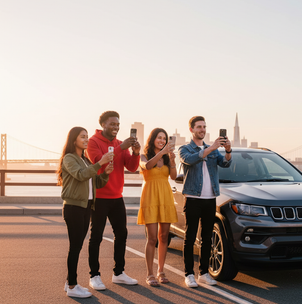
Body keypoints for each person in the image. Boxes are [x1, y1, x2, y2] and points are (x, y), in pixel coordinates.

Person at [86, 111, 141, 290]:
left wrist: (136, 152)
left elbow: (132, 168)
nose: (116, 127)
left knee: (122, 234)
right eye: (112, 124)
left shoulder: (120, 144)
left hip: (117, 197)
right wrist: (121, 147)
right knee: (96, 237)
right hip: (100, 197)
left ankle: (119, 273)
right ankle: (94, 275)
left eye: (117, 124)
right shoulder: (93, 142)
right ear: (103, 124)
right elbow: (98, 161)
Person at [57, 127, 113, 298]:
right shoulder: (69, 158)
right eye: (83, 137)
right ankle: (73, 286)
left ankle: (69, 283)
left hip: (86, 206)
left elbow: (95, 182)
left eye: (87, 136)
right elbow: (80, 175)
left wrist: (105, 174)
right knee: (75, 247)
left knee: (78, 246)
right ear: (74, 140)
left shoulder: (85, 160)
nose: (86, 139)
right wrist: (100, 163)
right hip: (73, 207)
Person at [178, 116, 232, 288]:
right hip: (193, 198)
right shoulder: (184, 149)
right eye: (199, 127)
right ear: (191, 130)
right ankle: (188, 274)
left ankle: (203, 273)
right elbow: (191, 159)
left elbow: (225, 164)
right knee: (190, 237)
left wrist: (228, 151)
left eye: (204, 127)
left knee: (207, 238)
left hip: (210, 199)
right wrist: (212, 148)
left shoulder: (213, 149)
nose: (202, 129)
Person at [137, 128, 178, 287]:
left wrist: (173, 162)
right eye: (159, 138)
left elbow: (173, 177)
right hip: (150, 198)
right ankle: (150, 273)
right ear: (153, 139)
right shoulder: (143, 156)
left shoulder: (167, 157)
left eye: (164, 138)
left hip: (165, 198)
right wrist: (162, 153)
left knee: (164, 237)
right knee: (152, 238)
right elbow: (146, 166)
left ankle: (161, 271)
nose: (162, 141)